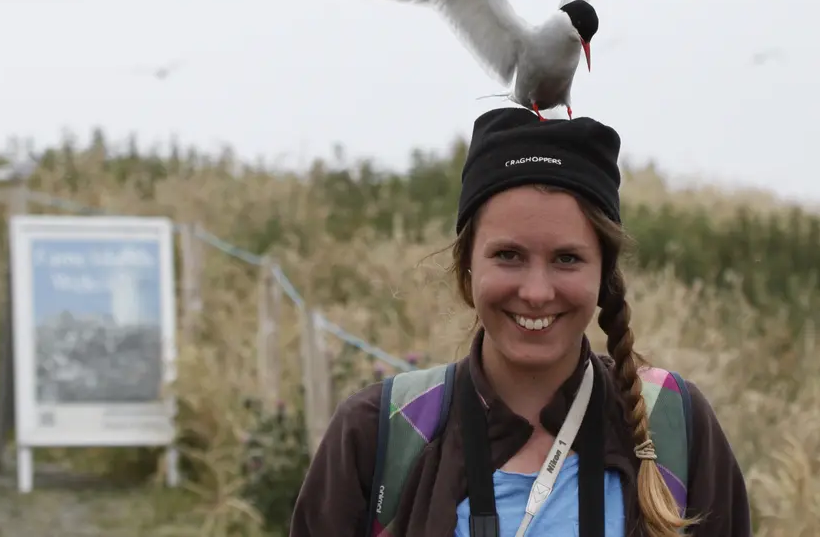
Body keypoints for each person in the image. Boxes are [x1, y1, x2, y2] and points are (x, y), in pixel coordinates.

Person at [288, 107, 752, 537]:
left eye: (567, 258)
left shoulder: (673, 426)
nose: (535, 292)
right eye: (508, 255)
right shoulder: (381, 434)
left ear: (604, 275)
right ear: (467, 266)